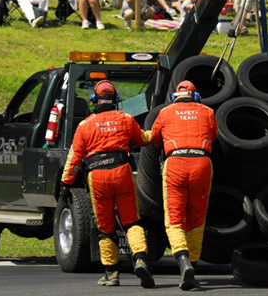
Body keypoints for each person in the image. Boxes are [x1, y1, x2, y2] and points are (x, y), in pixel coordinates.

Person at [60, 80, 154, 288]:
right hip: (122, 172)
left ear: (94, 99)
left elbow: (74, 158)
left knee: (105, 227)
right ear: (115, 100)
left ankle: (111, 274)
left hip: (97, 177)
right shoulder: (126, 119)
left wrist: (66, 183)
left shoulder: (84, 126)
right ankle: (139, 258)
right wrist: (158, 132)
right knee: (131, 221)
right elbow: (143, 139)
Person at [149, 80, 218, 291]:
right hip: (202, 163)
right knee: (197, 218)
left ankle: (182, 260)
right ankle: (193, 268)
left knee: (174, 218)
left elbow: (154, 140)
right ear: (195, 95)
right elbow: (214, 136)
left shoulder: (165, 112)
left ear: (175, 96)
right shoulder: (207, 111)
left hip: (175, 163)